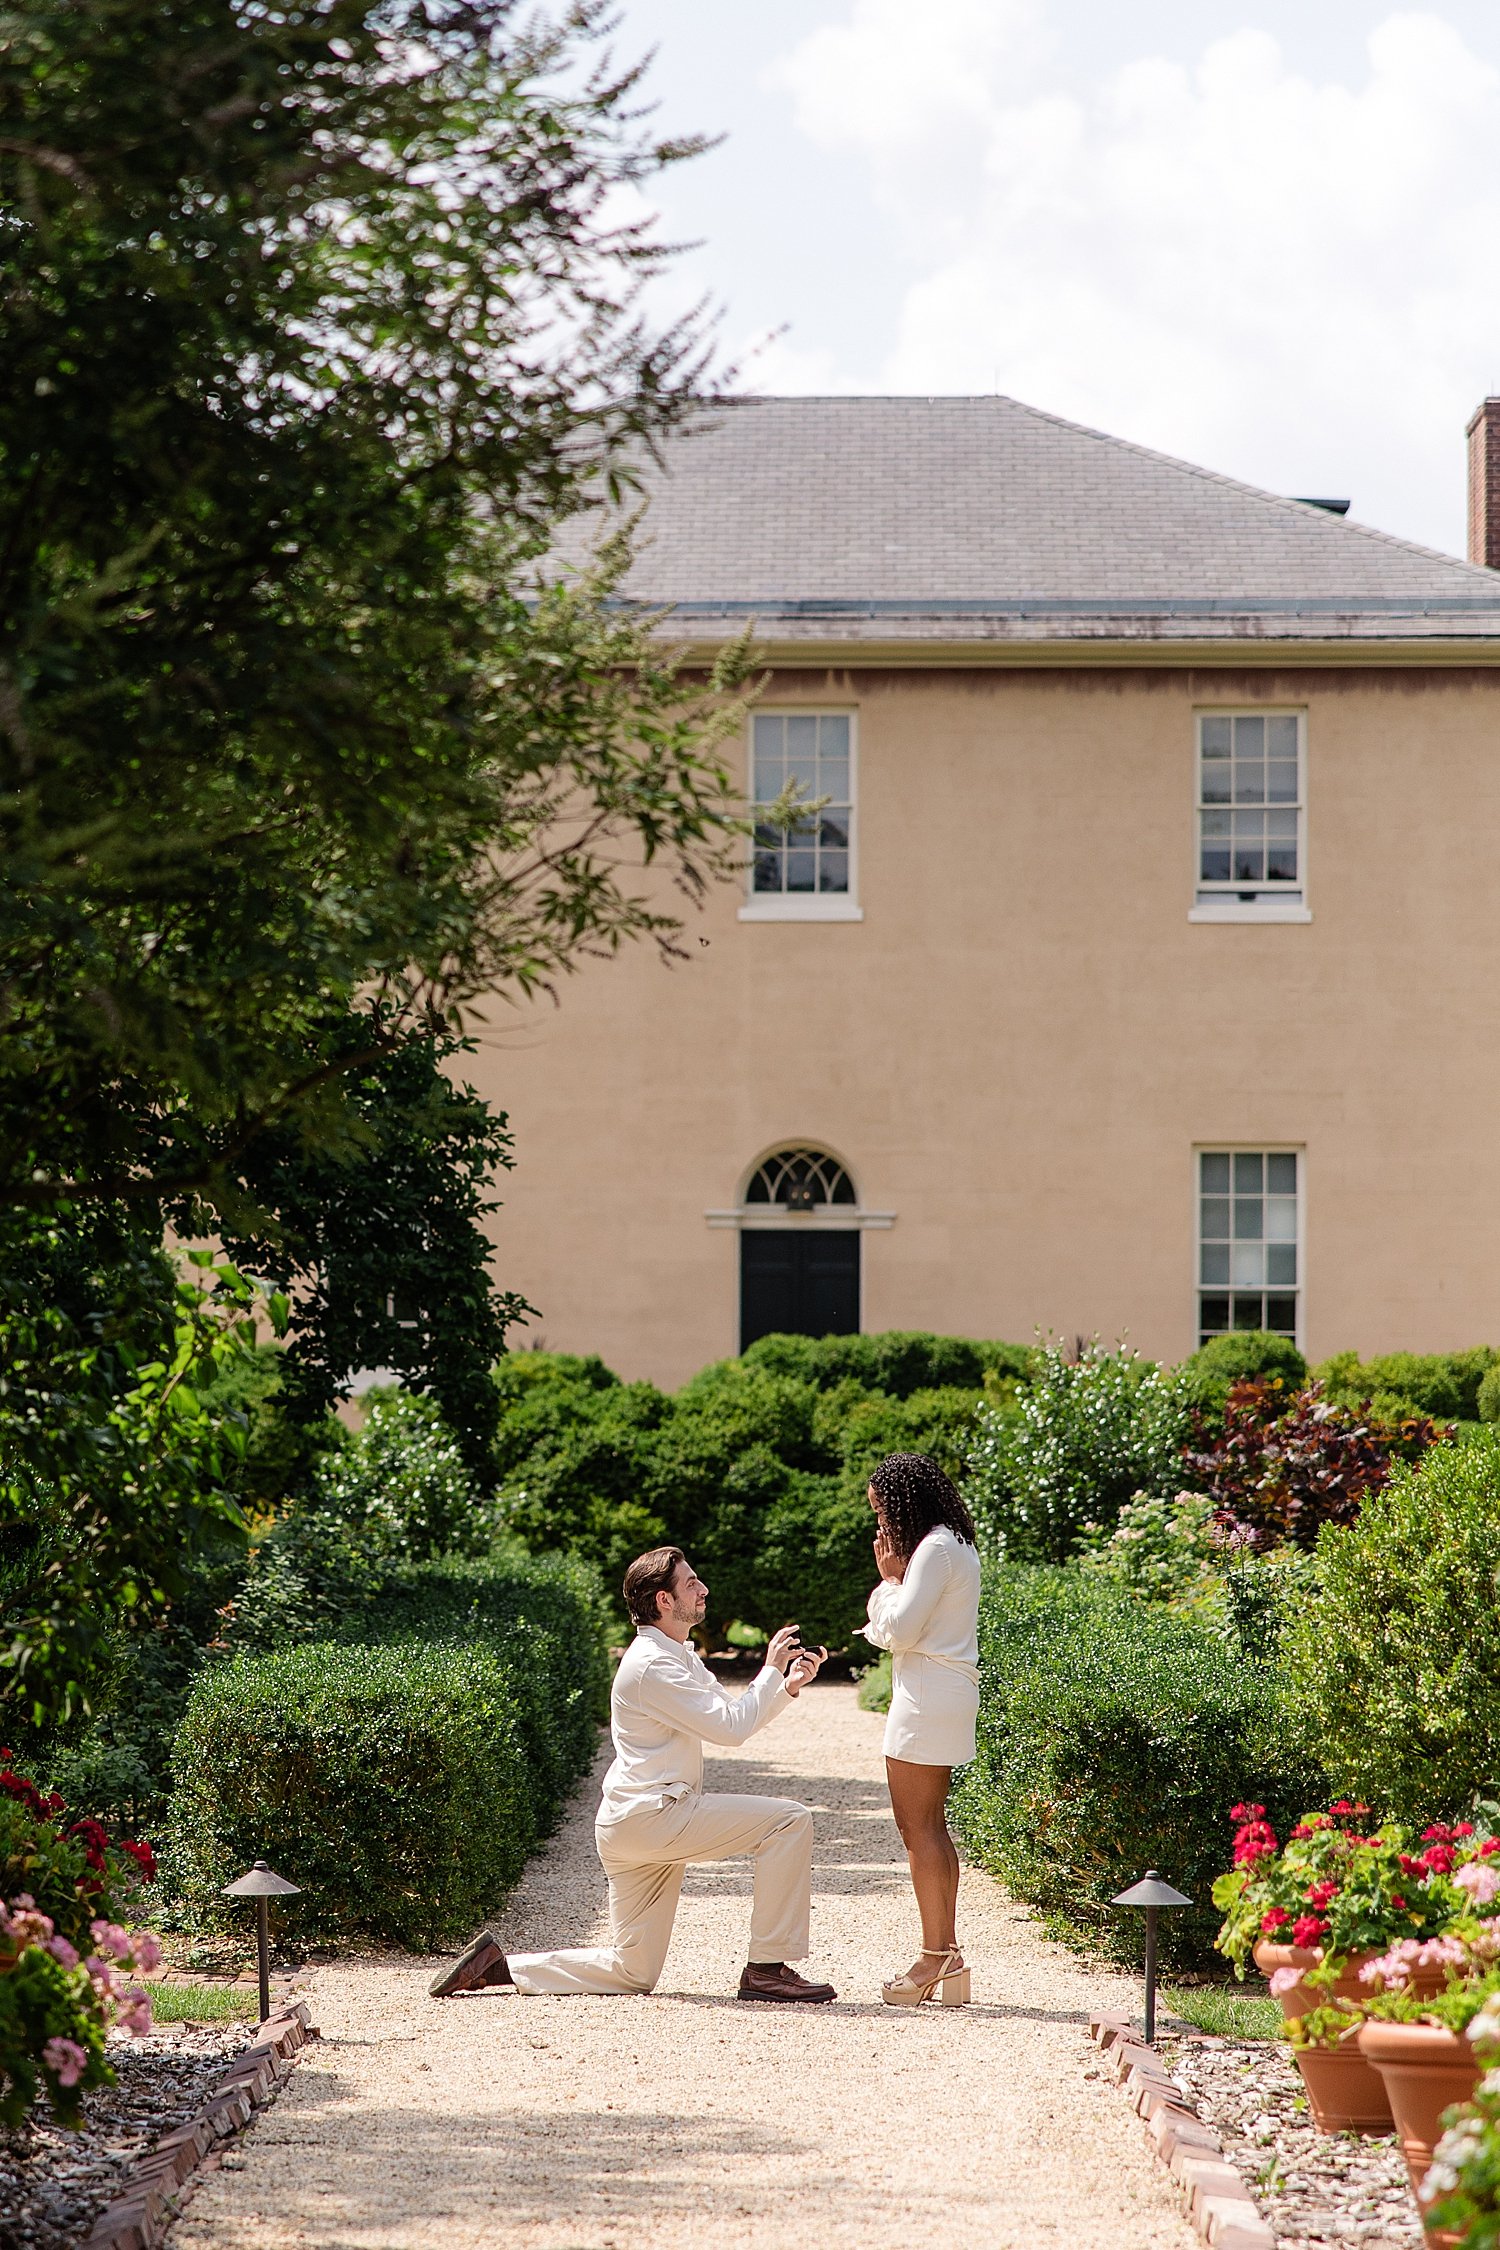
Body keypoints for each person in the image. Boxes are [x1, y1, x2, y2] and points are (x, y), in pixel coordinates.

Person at [429, 1544, 837, 2004]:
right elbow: (731, 1729)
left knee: (632, 1972)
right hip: (654, 1819)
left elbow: (727, 1713)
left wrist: (784, 1686)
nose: (703, 1589)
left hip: (634, 1823)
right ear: (664, 1600)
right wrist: (768, 1670)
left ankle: (499, 1967)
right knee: (789, 1820)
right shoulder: (653, 1664)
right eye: (690, 1583)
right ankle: (767, 1969)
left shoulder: (673, 1653)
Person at [861, 1451, 982, 2008]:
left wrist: (887, 1581)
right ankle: (948, 1956)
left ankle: (935, 1958)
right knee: (931, 1827)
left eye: (882, 1512)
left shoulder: (934, 1547)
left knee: (919, 1832)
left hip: (927, 1696)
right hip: (944, 1692)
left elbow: (902, 1631)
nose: (880, 1527)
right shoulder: (954, 1542)